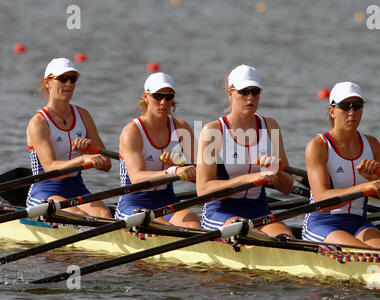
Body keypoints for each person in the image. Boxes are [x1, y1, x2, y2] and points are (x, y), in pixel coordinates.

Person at [196, 64, 294, 239]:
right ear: (230, 93)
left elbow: (287, 188)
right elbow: (203, 189)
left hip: (259, 210)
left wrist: (275, 170)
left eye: (255, 92)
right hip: (221, 212)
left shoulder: (270, 126)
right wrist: (251, 178)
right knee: (258, 238)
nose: (250, 97)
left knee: (287, 239)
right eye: (244, 92)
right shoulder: (212, 131)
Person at [302, 81, 380, 248]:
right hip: (322, 224)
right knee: (367, 254)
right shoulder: (318, 146)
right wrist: (364, 188)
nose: (352, 112)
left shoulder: (373, 145)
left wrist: (376, 180)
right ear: (332, 111)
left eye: (357, 106)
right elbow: (322, 201)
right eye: (345, 107)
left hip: (359, 223)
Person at [26, 58, 112, 218]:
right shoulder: (39, 122)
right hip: (44, 191)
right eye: (63, 79)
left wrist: (92, 151)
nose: (69, 84)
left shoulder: (83, 116)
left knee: (103, 213)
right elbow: (51, 169)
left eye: (73, 79)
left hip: (76, 188)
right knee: (76, 215)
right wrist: (83, 159)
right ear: (47, 82)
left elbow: (107, 165)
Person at [115, 72, 200, 228]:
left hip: (167, 201)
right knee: (163, 227)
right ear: (146, 96)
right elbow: (137, 178)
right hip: (133, 202)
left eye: (169, 96)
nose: (163, 102)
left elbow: (201, 174)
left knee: (193, 223)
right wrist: (173, 171)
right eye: (157, 96)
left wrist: (181, 163)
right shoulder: (132, 131)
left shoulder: (181, 128)